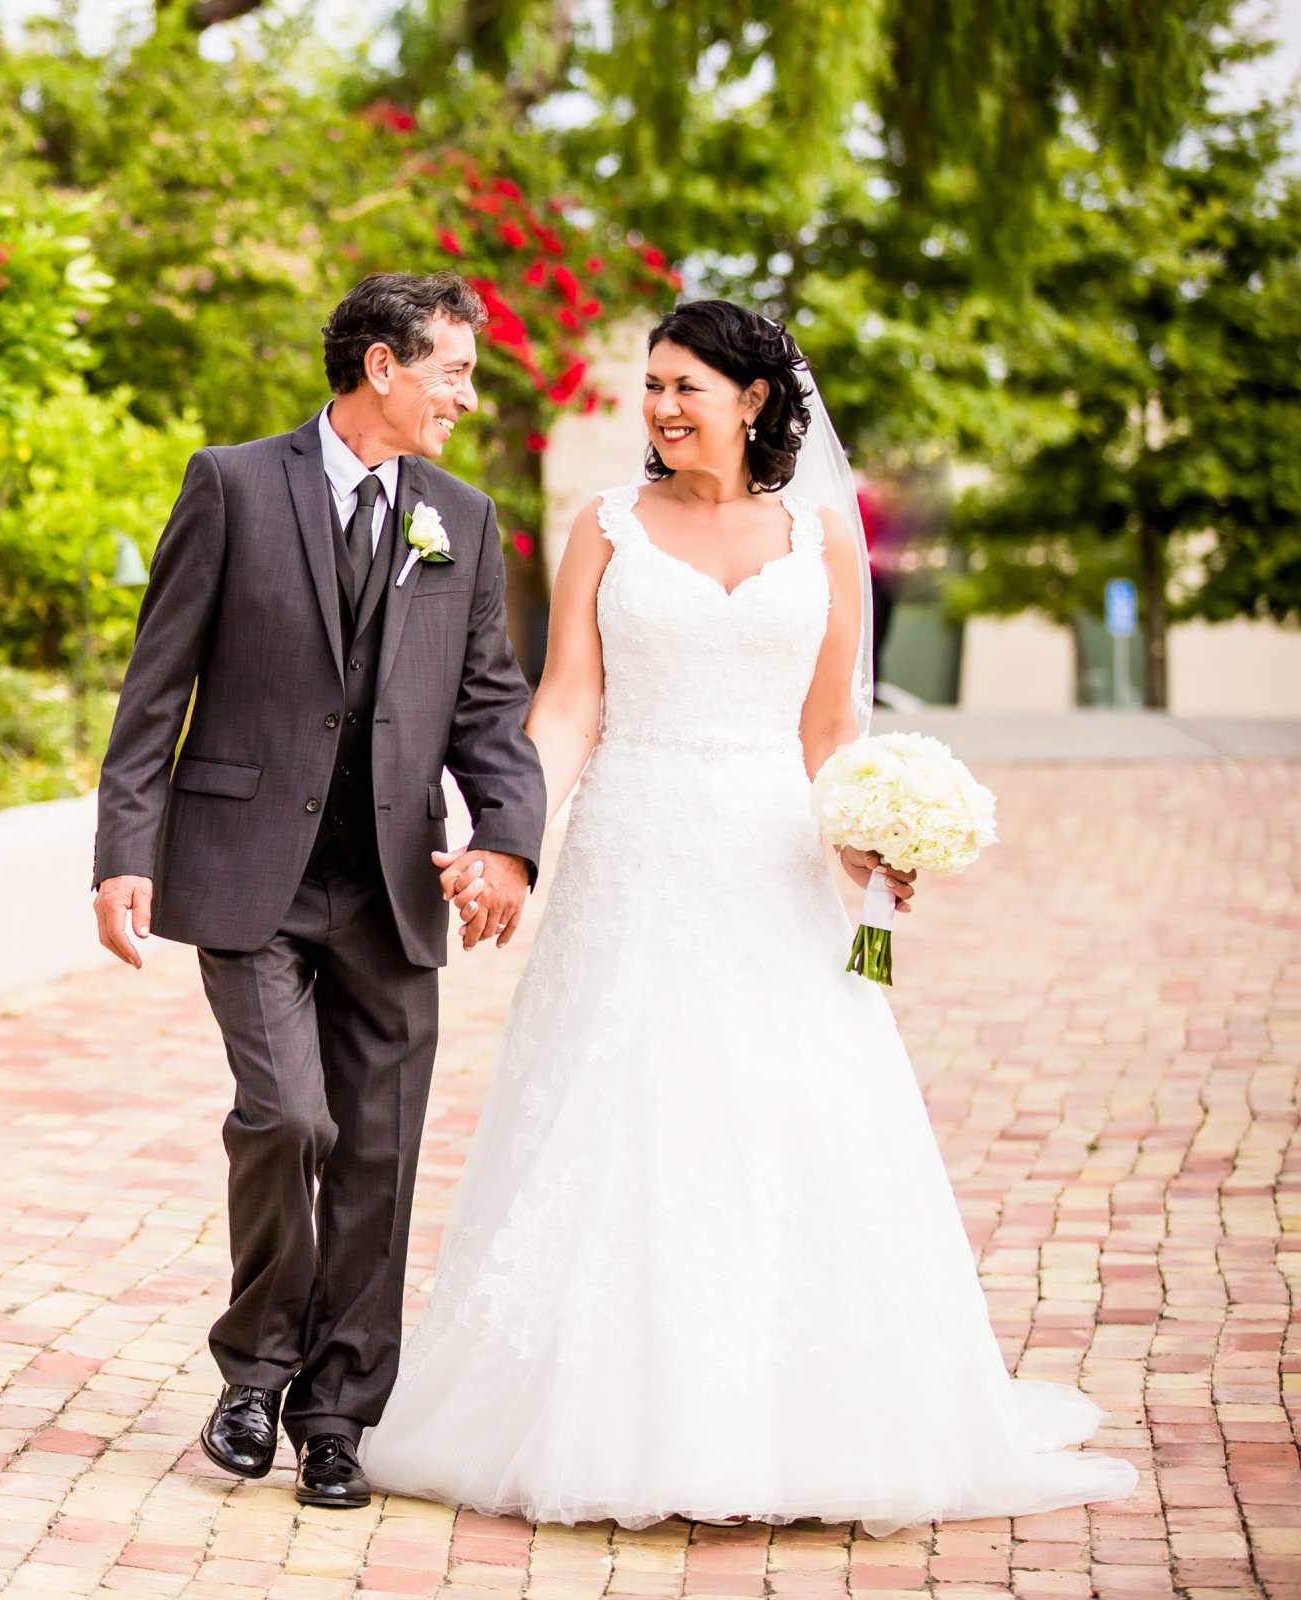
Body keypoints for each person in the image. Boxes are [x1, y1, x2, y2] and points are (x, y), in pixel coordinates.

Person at [356, 300, 1138, 1531]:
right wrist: (511, 836)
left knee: (788, 1113)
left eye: (688, 388)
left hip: (768, 860)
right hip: (633, 853)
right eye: (652, 387)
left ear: (756, 399)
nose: (662, 410)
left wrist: (873, 842)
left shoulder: (820, 538)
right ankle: (608, 1414)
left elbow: (831, 732)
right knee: (628, 1112)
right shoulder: (605, 527)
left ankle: (800, 1418)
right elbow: (566, 709)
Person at [89, 272, 546, 1509]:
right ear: (383, 369)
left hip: (394, 881)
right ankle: (255, 1371)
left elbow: (489, 701)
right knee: (290, 1119)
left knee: (379, 1156)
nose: (467, 393)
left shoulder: (464, 514)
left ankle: (340, 1413)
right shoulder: (233, 484)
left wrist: (504, 837)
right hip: (248, 873)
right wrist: (124, 844)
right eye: (451, 368)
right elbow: (157, 681)